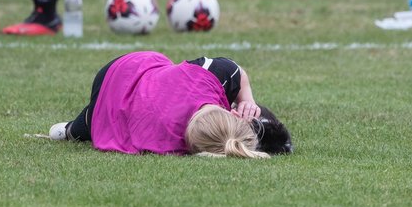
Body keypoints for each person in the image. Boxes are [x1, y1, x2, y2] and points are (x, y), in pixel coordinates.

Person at [47, 52, 274, 159]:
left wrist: (244, 100)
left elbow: (238, 72)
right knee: (89, 127)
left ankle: (72, 129)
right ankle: (71, 129)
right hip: (130, 75)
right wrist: (248, 100)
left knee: (88, 127)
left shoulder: (215, 74)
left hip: (121, 75)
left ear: (232, 113)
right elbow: (238, 72)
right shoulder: (170, 146)